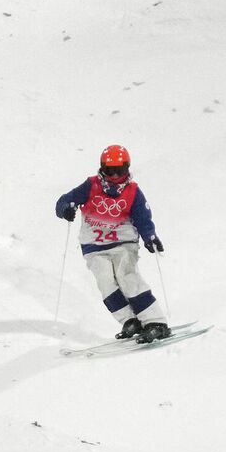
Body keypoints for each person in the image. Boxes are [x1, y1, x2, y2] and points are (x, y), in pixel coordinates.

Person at [54, 145, 170, 342]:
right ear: (102, 169)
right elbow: (65, 200)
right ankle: (130, 320)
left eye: (120, 170)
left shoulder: (133, 191)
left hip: (123, 243)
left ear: (127, 168)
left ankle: (155, 321)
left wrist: (149, 236)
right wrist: (65, 209)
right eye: (110, 171)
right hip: (94, 246)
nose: (115, 176)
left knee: (127, 276)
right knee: (105, 281)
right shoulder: (91, 186)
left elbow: (143, 217)